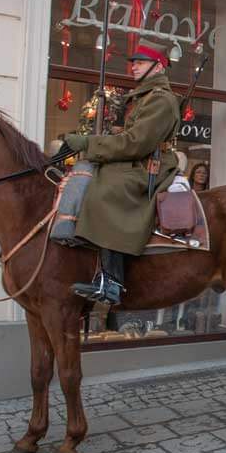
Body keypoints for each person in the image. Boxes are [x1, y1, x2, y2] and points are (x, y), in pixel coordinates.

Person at [63, 39, 181, 304]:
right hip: (140, 159)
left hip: (151, 165)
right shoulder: (145, 96)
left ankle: (112, 281)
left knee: (108, 189)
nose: (134, 67)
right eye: (134, 62)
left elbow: (136, 143)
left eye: (140, 62)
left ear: (158, 66)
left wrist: (89, 143)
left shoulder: (161, 100)